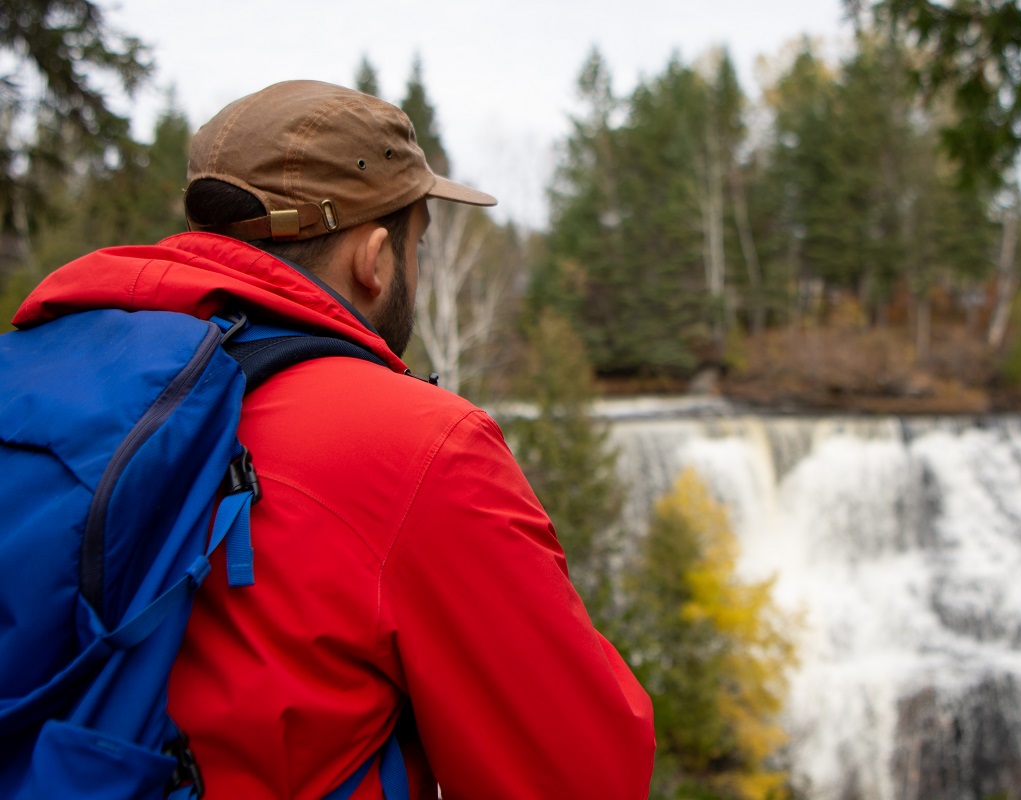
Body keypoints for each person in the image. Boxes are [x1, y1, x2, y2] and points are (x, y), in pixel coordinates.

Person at [11, 80, 655, 799]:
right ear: (375, 259)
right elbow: (577, 773)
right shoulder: (418, 448)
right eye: (418, 246)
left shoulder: (31, 371)